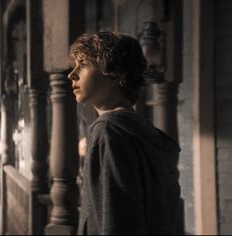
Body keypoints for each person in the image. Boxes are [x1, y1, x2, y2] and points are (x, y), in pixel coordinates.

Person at [68, 32, 181, 235]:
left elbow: (116, 222)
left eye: (84, 65)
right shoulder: (147, 133)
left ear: (114, 74)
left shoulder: (108, 132)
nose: (72, 74)